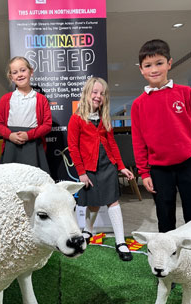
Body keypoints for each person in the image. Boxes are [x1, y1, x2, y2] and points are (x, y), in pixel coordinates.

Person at [131, 39, 191, 295]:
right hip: (159, 170)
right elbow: (138, 140)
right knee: (165, 221)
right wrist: (143, 172)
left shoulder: (185, 93)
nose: (154, 69)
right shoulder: (138, 104)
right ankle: (167, 270)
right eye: (148, 65)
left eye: (159, 63)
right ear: (141, 69)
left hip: (189, 165)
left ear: (169, 63)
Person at [67, 77, 134, 261]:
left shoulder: (105, 119)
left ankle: (120, 242)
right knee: (94, 203)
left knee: (113, 202)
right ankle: (88, 232)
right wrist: (81, 172)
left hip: (108, 166)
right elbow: (73, 147)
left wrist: (121, 166)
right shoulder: (76, 119)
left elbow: (112, 144)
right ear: (87, 94)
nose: (98, 96)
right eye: (94, 92)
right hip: (89, 169)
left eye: (102, 94)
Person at [0, 56, 52, 173]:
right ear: (11, 77)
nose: (19, 75)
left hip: (33, 146)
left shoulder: (41, 99)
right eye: (15, 72)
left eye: (23, 70)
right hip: (11, 146)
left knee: (34, 181)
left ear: (31, 72)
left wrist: (29, 135)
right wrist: (10, 135)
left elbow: (47, 125)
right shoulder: (6, 99)